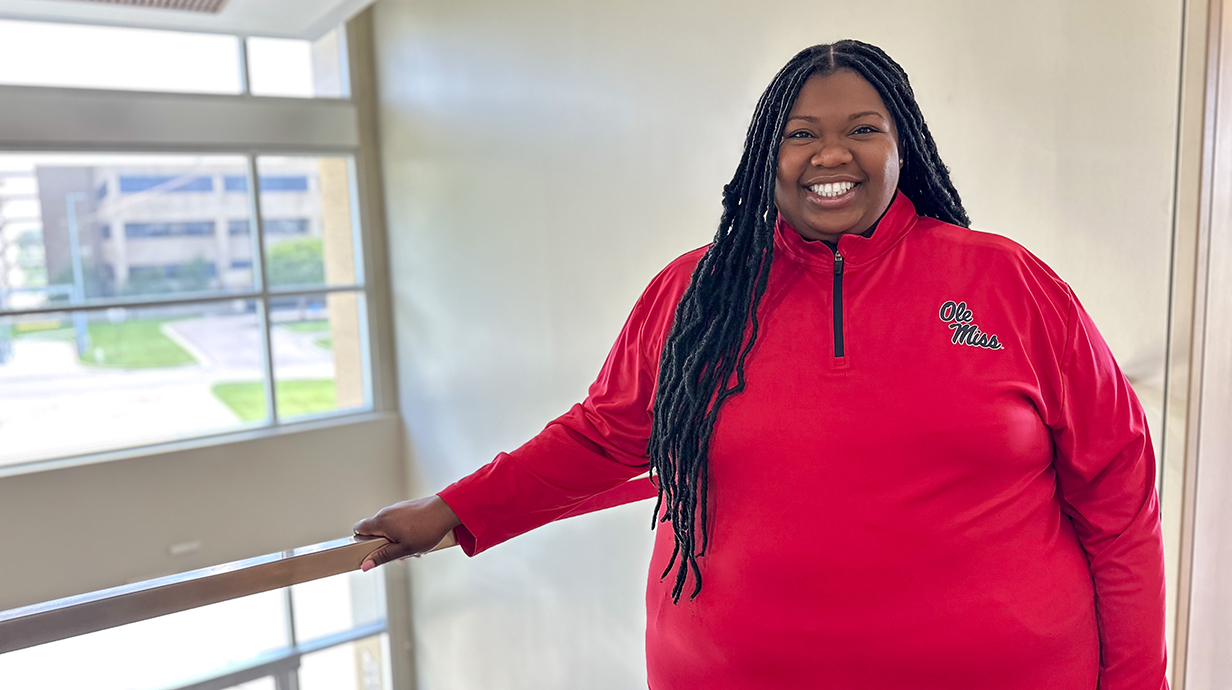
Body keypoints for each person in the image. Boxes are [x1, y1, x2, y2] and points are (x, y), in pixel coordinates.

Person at [354, 40, 1168, 689]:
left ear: (903, 145)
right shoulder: (694, 295)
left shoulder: (1006, 280)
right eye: (801, 133)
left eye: (863, 128)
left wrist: (1138, 682)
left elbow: (1120, 494)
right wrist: (455, 511)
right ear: (763, 153)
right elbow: (604, 438)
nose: (831, 154)